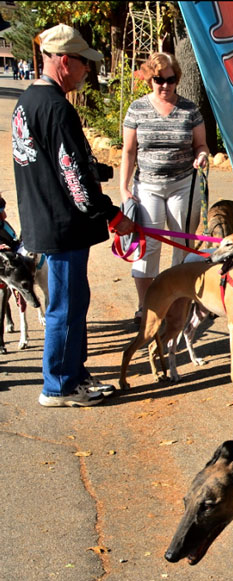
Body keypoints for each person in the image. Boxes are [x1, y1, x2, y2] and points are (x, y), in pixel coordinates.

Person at [11, 24, 134, 407]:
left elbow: (51, 161)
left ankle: (72, 371)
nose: (88, 72)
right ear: (65, 61)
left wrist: (95, 169)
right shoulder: (56, 107)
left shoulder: (28, 101)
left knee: (72, 301)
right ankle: (60, 385)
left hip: (43, 218)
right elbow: (73, 179)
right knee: (65, 305)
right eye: (84, 64)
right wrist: (111, 214)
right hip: (61, 225)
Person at [120, 52, 209, 322]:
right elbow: (128, 151)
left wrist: (202, 156)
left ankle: (176, 304)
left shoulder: (190, 109)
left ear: (177, 79)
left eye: (170, 80)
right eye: (159, 79)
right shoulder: (137, 108)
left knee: (182, 244)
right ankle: (146, 306)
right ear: (150, 78)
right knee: (147, 247)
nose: (165, 85)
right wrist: (123, 189)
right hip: (147, 185)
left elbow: (201, 145)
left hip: (183, 184)